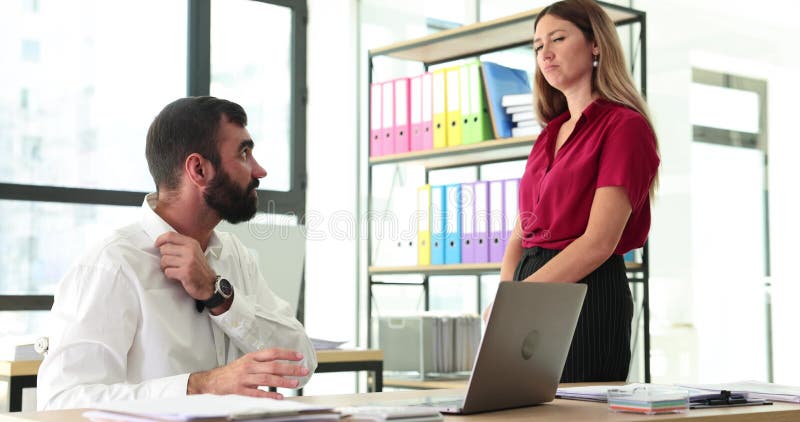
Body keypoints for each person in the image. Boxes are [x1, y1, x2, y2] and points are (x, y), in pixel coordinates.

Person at [37, 96, 317, 410]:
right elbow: (61, 403)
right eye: (244, 153)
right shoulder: (112, 264)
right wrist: (202, 386)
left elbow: (301, 363)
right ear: (198, 169)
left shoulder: (235, 255)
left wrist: (220, 297)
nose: (260, 171)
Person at [485, 0, 660, 382]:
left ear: (595, 44)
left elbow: (598, 242)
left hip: (586, 291)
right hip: (529, 285)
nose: (544, 54)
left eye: (558, 39)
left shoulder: (624, 126)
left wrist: (518, 300)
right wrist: (505, 293)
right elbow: (523, 228)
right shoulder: (550, 133)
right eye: (536, 46)